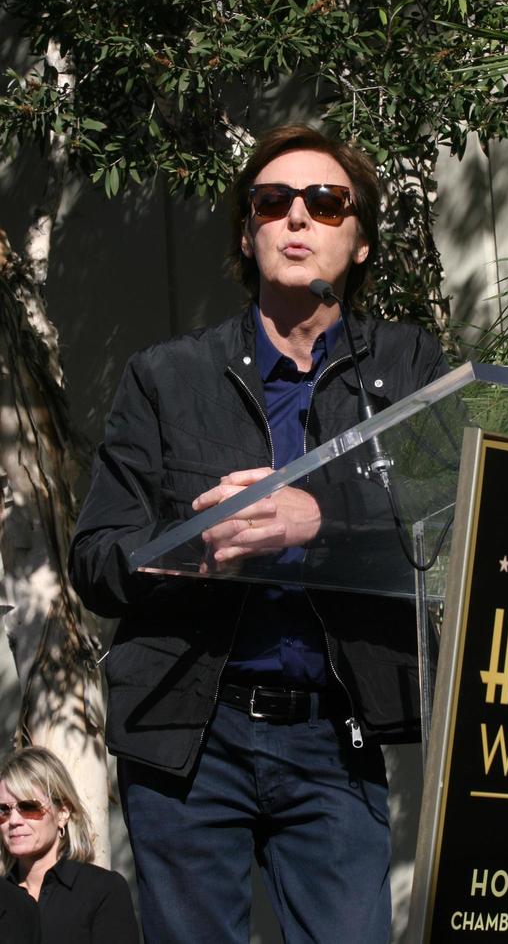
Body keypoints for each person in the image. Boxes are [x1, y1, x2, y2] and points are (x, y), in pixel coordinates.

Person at [69, 124, 449, 944]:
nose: (297, 219)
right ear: (248, 233)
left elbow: (449, 522)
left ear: (362, 241)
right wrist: (191, 543)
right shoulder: (166, 376)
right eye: (273, 203)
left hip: (333, 733)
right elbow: (96, 559)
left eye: (326, 202)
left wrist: (323, 520)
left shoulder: (410, 366)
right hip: (189, 741)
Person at [0, 746, 139, 944]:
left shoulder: (102, 890)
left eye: (28, 807)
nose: (13, 820)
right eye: (3, 810)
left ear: (63, 813)